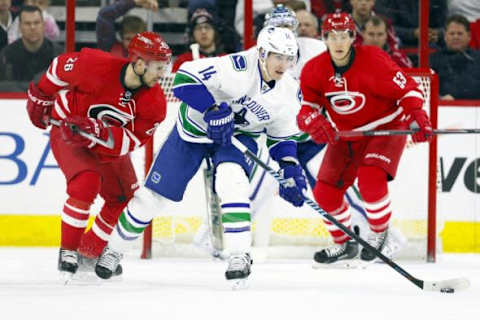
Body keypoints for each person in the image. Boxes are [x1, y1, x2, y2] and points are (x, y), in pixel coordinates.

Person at [98, 26, 307, 285]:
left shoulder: (289, 91)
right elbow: (183, 79)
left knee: (233, 183)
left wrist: (289, 167)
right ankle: (113, 251)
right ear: (262, 53)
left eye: (289, 58)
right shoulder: (237, 67)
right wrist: (211, 108)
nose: (284, 64)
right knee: (152, 198)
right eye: (278, 57)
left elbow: (282, 137)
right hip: (195, 130)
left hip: (239, 138)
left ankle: (239, 255)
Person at [24, 31, 172, 278]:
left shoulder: (155, 103)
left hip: (105, 146)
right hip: (68, 132)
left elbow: (131, 140)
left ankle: (88, 252)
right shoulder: (96, 65)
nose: (162, 74)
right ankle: (68, 251)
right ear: (138, 63)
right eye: (158, 67)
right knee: (86, 182)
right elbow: (60, 67)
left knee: (124, 197)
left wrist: (99, 131)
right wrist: (42, 93)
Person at [297, 13, 433, 266]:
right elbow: (307, 109)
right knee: (325, 193)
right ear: (324, 38)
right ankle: (344, 242)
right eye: (332, 36)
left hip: (386, 128)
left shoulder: (374, 60)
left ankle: (379, 233)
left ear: (352, 37)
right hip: (348, 134)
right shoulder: (313, 70)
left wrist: (416, 115)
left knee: (370, 178)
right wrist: (311, 122)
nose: (338, 42)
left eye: (344, 36)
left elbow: (409, 89)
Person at [0, 5, 62, 82]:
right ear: (20, 26)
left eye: (36, 23)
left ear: (43, 25)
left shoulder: (59, 55)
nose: (32, 27)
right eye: (27, 23)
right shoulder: (6, 55)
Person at [429, 14, 480, 100]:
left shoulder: (478, 58)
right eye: (452, 33)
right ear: (445, 36)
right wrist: (439, 98)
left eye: (460, 34)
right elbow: (425, 89)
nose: (455, 37)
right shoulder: (433, 60)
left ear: (469, 36)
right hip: (442, 109)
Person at [172, 8, 225, 72]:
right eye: (198, 28)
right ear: (192, 34)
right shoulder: (183, 61)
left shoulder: (226, 60)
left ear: (215, 31)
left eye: (207, 27)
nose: (203, 31)